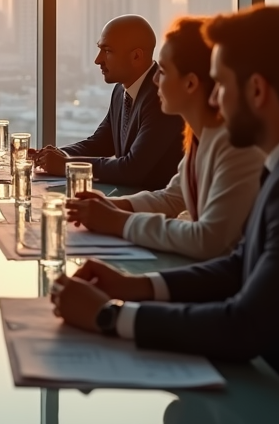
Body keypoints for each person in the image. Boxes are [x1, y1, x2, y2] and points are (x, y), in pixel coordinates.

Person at [51, 5, 279, 424]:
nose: (214, 98)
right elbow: (241, 264)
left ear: (256, 91)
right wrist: (136, 287)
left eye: (220, 84)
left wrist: (110, 315)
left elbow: (244, 326)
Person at [65, 17, 264, 260]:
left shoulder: (235, 147)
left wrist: (119, 221)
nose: (156, 79)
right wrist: (111, 206)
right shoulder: (203, 138)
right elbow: (172, 198)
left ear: (191, 83)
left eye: (164, 71)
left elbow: (207, 240)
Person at [33, 14, 183, 189]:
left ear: (136, 56)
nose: (98, 60)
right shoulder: (121, 90)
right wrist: (57, 155)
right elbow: (101, 142)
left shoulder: (162, 97)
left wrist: (67, 165)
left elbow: (132, 169)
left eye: (107, 51)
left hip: (153, 207)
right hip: (128, 200)